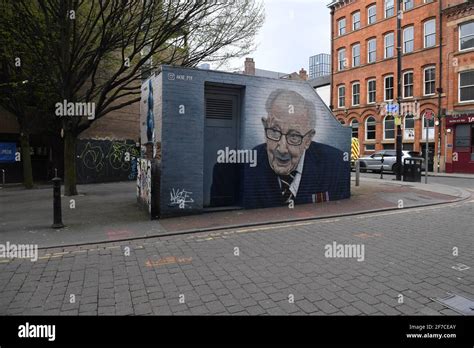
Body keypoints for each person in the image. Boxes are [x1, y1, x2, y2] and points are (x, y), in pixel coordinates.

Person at [242, 89, 350, 209]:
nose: (282, 149)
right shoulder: (247, 167)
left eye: (294, 136)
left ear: (308, 140)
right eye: (274, 131)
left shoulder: (336, 166)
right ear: (265, 127)